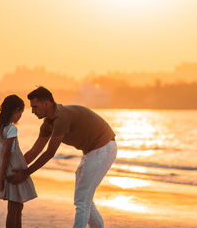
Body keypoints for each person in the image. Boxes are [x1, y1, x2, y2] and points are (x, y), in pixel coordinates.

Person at [8, 86, 117, 228]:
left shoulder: (61, 118)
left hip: (104, 148)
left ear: (46, 103)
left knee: (82, 199)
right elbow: (34, 151)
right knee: (84, 199)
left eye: (35, 107)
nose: (32, 111)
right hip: (91, 152)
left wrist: (25, 173)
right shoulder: (47, 124)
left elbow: (49, 153)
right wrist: (13, 169)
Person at [0, 95, 37, 228]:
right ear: (16, 110)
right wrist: (2, 175)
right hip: (15, 172)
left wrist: (0, 173)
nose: (20, 116)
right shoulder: (11, 129)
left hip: (6, 171)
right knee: (14, 208)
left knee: (18, 206)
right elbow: (7, 155)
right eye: (21, 112)